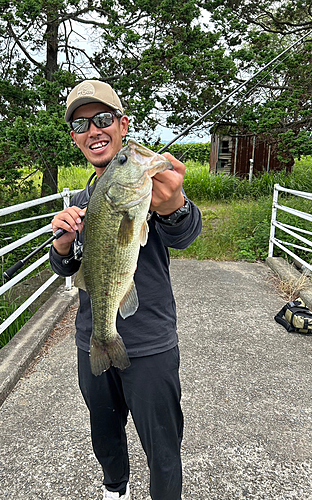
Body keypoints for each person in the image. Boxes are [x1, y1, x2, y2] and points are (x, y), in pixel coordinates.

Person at [49, 80, 202, 500]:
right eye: (81, 124)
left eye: (103, 119)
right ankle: (115, 488)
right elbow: (68, 267)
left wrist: (175, 207)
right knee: (105, 433)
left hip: (151, 342)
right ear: (75, 138)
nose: (94, 130)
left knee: (163, 445)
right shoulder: (80, 203)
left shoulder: (148, 192)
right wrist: (62, 245)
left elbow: (184, 232)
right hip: (93, 337)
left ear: (122, 124)